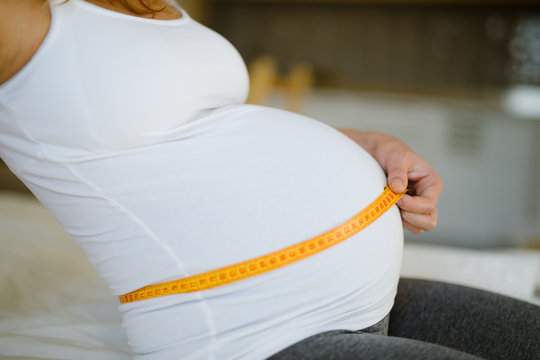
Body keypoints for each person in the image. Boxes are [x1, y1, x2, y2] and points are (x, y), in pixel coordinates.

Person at [0, 1, 537, 360]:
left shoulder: (161, 8)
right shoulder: (23, 23)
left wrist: (361, 142)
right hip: (253, 336)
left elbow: (211, 130)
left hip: (364, 301)